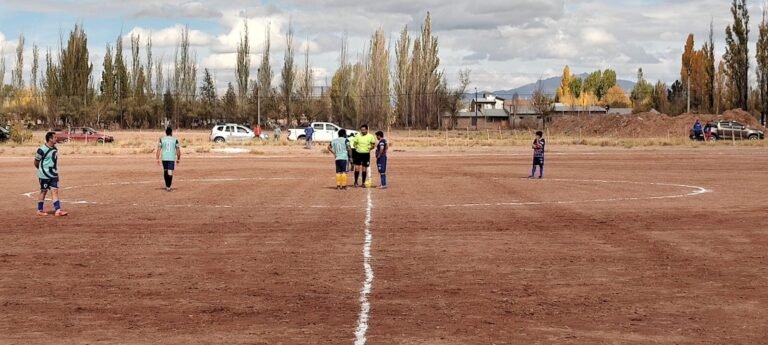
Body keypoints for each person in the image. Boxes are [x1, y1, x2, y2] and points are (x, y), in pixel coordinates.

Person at [34, 131, 68, 216]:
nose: (56, 138)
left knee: (55, 191)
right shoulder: (41, 149)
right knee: (43, 191)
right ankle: (40, 210)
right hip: (44, 175)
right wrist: (42, 170)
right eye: (55, 137)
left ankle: (58, 210)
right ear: (50, 139)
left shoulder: (55, 148)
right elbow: (36, 162)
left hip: (53, 174)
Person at [156, 127, 181, 192]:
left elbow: (158, 149)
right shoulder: (175, 140)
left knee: (165, 170)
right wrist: (178, 158)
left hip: (164, 158)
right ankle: (168, 187)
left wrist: (157, 158)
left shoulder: (162, 139)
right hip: (171, 158)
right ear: (171, 132)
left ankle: (167, 185)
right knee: (170, 172)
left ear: (166, 133)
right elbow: (178, 150)